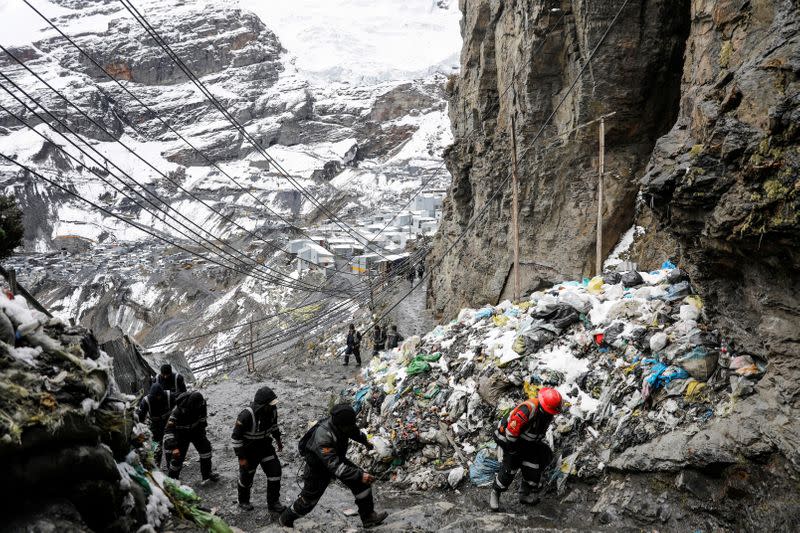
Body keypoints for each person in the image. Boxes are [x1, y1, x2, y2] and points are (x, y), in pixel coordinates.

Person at [279, 404, 388, 528]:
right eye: (348, 426)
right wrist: (359, 474)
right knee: (308, 502)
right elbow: (335, 467)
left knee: (361, 483)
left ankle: (368, 517)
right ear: (340, 425)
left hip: (336, 459)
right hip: (318, 469)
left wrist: (366, 443)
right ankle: (285, 519)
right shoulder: (323, 435)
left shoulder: (345, 424)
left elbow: (354, 432)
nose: (350, 427)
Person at [489, 387, 562, 511]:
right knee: (510, 469)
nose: (552, 415)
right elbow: (511, 434)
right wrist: (512, 451)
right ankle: (495, 492)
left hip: (527, 442)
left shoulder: (547, 413)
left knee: (533, 467)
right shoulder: (527, 410)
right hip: (508, 439)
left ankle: (524, 494)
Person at [231, 386, 286, 512]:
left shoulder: (272, 411)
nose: (272, 406)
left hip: (266, 447)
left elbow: (274, 426)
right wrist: (241, 458)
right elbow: (235, 438)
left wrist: (278, 441)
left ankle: (273, 503)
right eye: (269, 404)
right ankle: (243, 501)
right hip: (249, 451)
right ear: (262, 404)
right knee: (246, 477)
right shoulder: (246, 415)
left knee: (275, 472)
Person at [163, 391, 219, 484]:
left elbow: (202, 420)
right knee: (177, 458)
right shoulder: (178, 411)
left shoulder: (201, 404)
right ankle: (172, 480)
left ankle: (207, 475)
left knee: (206, 451)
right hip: (181, 434)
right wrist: (174, 447)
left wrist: (202, 436)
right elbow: (168, 430)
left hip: (196, 431)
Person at [136, 383, 176, 468]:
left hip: (169, 423)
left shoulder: (170, 395)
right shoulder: (146, 401)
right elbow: (141, 417)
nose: (158, 398)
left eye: (160, 396)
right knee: (156, 447)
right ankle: (156, 466)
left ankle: (171, 465)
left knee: (170, 444)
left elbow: (177, 408)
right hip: (155, 425)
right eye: (156, 396)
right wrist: (141, 431)